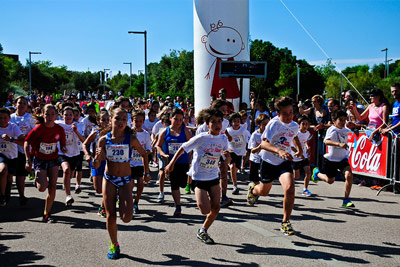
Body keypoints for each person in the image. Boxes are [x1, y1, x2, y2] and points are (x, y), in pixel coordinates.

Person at [165, 108, 230, 244]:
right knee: (205, 209)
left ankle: (203, 230)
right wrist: (171, 164)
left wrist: (226, 159)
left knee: (216, 208)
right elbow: (183, 147)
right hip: (199, 177)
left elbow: (224, 158)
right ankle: (202, 201)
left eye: (219, 122)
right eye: (213, 122)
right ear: (207, 124)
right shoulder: (201, 138)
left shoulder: (223, 139)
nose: (217, 125)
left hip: (213, 176)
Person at [93, 107, 149, 259]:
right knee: (111, 216)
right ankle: (114, 244)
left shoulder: (130, 139)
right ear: (110, 120)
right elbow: (96, 165)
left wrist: (147, 172)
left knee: (126, 218)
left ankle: (120, 199)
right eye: (117, 118)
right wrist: (97, 158)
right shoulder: (103, 140)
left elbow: (144, 154)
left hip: (125, 180)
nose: (121, 122)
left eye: (124, 119)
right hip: (109, 178)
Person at [247, 96, 303, 236]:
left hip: (284, 162)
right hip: (268, 162)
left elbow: (294, 135)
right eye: (285, 113)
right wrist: (279, 150)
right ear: (278, 114)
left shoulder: (294, 125)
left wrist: (299, 149)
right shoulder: (273, 124)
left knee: (290, 188)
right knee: (264, 192)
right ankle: (253, 190)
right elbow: (264, 144)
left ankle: (285, 222)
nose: (289, 116)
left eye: (291, 112)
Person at [24, 104, 67, 223]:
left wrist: (63, 148)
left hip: (53, 159)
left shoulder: (59, 129)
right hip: (40, 160)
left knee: (52, 187)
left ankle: (46, 213)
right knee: (42, 188)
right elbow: (26, 142)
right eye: (47, 114)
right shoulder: (39, 129)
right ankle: (38, 179)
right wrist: (28, 160)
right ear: (43, 115)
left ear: (56, 115)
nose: (50, 116)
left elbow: (62, 142)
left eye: (53, 114)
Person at [311, 110, 355, 208]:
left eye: (344, 120)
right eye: (341, 120)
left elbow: (351, 129)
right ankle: (317, 173)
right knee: (330, 181)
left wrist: (354, 125)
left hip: (343, 159)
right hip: (331, 160)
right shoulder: (332, 130)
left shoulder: (345, 129)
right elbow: (326, 141)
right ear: (334, 120)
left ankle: (346, 199)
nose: (343, 122)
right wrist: (339, 144)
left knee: (349, 175)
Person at [156, 108, 192, 216]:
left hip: (183, 162)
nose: (178, 122)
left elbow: (191, 144)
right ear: (171, 118)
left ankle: (181, 195)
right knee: (174, 184)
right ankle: (178, 206)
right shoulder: (165, 131)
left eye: (180, 120)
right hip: (171, 163)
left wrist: (190, 159)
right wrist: (163, 154)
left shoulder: (185, 131)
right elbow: (158, 145)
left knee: (182, 183)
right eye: (176, 119)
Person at [82, 109, 110, 217]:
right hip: (96, 161)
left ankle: (103, 207)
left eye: (108, 120)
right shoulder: (95, 132)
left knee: (107, 188)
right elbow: (84, 144)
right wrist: (87, 154)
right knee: (98, 189)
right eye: (103, 120)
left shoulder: (112, 133)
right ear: (98, 121)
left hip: (108, 162)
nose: (106, 122)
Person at [10, 96, 37, 205]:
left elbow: (36, 132)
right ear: (15, 104)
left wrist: (26, 137)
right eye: (20, 103)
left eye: (24, 103)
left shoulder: (30, 118)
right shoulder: (10, 117)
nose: (21, 105)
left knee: (21, 175)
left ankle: (21, 195)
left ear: (27, 106)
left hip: (24, 150)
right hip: (10, 150)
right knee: (8, 174)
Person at [57, 107, 85, 206]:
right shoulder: (58, 124)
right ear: (62, 116)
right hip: (62, 152)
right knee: (66, 170)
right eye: (66, 114)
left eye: (70, 115)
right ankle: (68, 195)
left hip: (74, 153)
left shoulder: (78, 125)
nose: (68, 116)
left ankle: (66, 184)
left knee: (70, 174)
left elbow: (83, 140)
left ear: (73, 116)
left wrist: (76, 131)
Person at [0, 108, 25, 206]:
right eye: (0, 118)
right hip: (1, 155)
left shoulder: (13, 127)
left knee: (9, 178)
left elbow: (23, 142)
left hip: (12, 156)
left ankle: (7, 191)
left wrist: (10, 139)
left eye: (4, 118)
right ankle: (2, 196)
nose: (2, 120)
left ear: (9, 118)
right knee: (3, 170)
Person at [130, 110, 152, 214]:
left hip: (140, 163)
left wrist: (143, 151)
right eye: (136, 121)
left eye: (140, 121)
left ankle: (136, 202)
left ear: (143, 122)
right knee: (129, 185)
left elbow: (148, 150)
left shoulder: (146, 134)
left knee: (140, 184)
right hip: (128, 164)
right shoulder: (128, 133)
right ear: (131, 121)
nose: (137, 123)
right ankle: (128, 202)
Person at [226, 112, 250, 195]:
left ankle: (230, 170)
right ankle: (235, 186)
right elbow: (223, 140)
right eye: (234, 121)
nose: (236, 123)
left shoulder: (244, 131)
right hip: (231, 151)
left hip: (240, 152)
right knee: (233, 167)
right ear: (231, 122)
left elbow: (249, 141)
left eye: (238, 121)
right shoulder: (228, 131)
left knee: (235, 169)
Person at [292, 116, 312, 197]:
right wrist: (299, 154)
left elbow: (306, 141)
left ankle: (305, 189)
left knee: (308, 171)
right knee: (296, 176)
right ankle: (289, 187)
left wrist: (307, 147)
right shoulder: (296, 134)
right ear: (299, 125)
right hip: (295, 156)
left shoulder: (307, 133)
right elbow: (291, 146)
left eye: (306, 124)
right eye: (303, 124)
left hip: (304, 155)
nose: (305, 126)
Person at [247, 114, 269, 185]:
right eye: (264, 124)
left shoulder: (270, 134)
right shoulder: (255, 135)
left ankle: (258, 190)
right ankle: (254, 189)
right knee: (254, 178)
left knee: (265, 178)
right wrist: (260, 146)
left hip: (265, 159)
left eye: (268, 124)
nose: (266, 126)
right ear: (258, 124)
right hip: (255, 159)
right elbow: (252, 150)